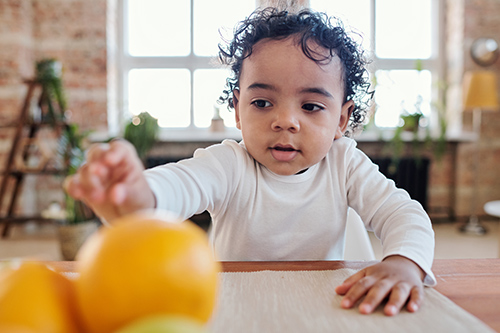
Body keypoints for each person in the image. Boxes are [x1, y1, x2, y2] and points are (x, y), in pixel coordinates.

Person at [64, 7, 436, 317]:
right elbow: (176, 187)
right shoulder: (229, 164)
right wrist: (133, 195)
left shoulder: (346, 164)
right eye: (262, 102)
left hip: (323, 302)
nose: (285, 121)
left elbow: (404, 214)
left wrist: (405, 262)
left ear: (341, 119)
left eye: (311, 106)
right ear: (238, 111)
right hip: (234, 306)